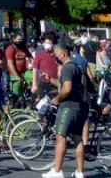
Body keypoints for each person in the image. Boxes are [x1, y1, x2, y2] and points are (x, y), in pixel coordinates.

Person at [43, 44, 90, 178]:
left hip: (69, 106)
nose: (55, 57)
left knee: (60, 136)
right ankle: (80, 172)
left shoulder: (67, 68)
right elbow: (66, 85)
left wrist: (57, 99)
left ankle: (57, 171)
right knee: (78, 138)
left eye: (56, 55)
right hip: (80, 107)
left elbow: (67, 89)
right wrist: (51, 80)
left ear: (63, 54)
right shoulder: (76, 67)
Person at [32, 34, 59, 100]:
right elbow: (35, 68)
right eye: (45, 43)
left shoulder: (57, 55)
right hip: (44, 83)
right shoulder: (41, 54)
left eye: (49, 43)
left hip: (55, 83)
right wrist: (34, 84)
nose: (47, 45)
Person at [5, 32, 31, 98]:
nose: (20, 41)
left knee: (34, 78)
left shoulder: (23, 48)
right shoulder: (10, 49)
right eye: (18, 39)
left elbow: (31, 58)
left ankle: (30, 95)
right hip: (14, 74)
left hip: (24, 72)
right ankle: (15, 104)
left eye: (21, 39)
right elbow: (10, 64)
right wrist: (16, 76)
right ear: (13, 39)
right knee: (16, 94)